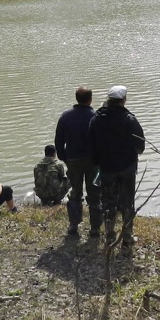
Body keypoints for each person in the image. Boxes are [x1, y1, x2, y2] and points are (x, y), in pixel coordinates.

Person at [88, 85, 144, 250]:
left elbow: (91, 146)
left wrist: (97, 163)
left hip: (106, 169)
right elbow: (140, 146)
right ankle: (127, 238)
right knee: (127, 203)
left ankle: (109, 238)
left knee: (108, 204)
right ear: (123, 100)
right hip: (127, 168)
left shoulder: (96, 119)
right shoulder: (130, 120)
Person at [54, 86, 102, 237]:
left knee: (75, 193)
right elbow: (102, 142)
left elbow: (58, 141)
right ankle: (95, 228)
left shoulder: (65, 116)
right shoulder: (96, 116)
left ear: (76, 98)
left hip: (73, 160)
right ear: (90, 99)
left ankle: (73, 225)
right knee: (94, 194)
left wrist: (63, 157)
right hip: (93, 163)